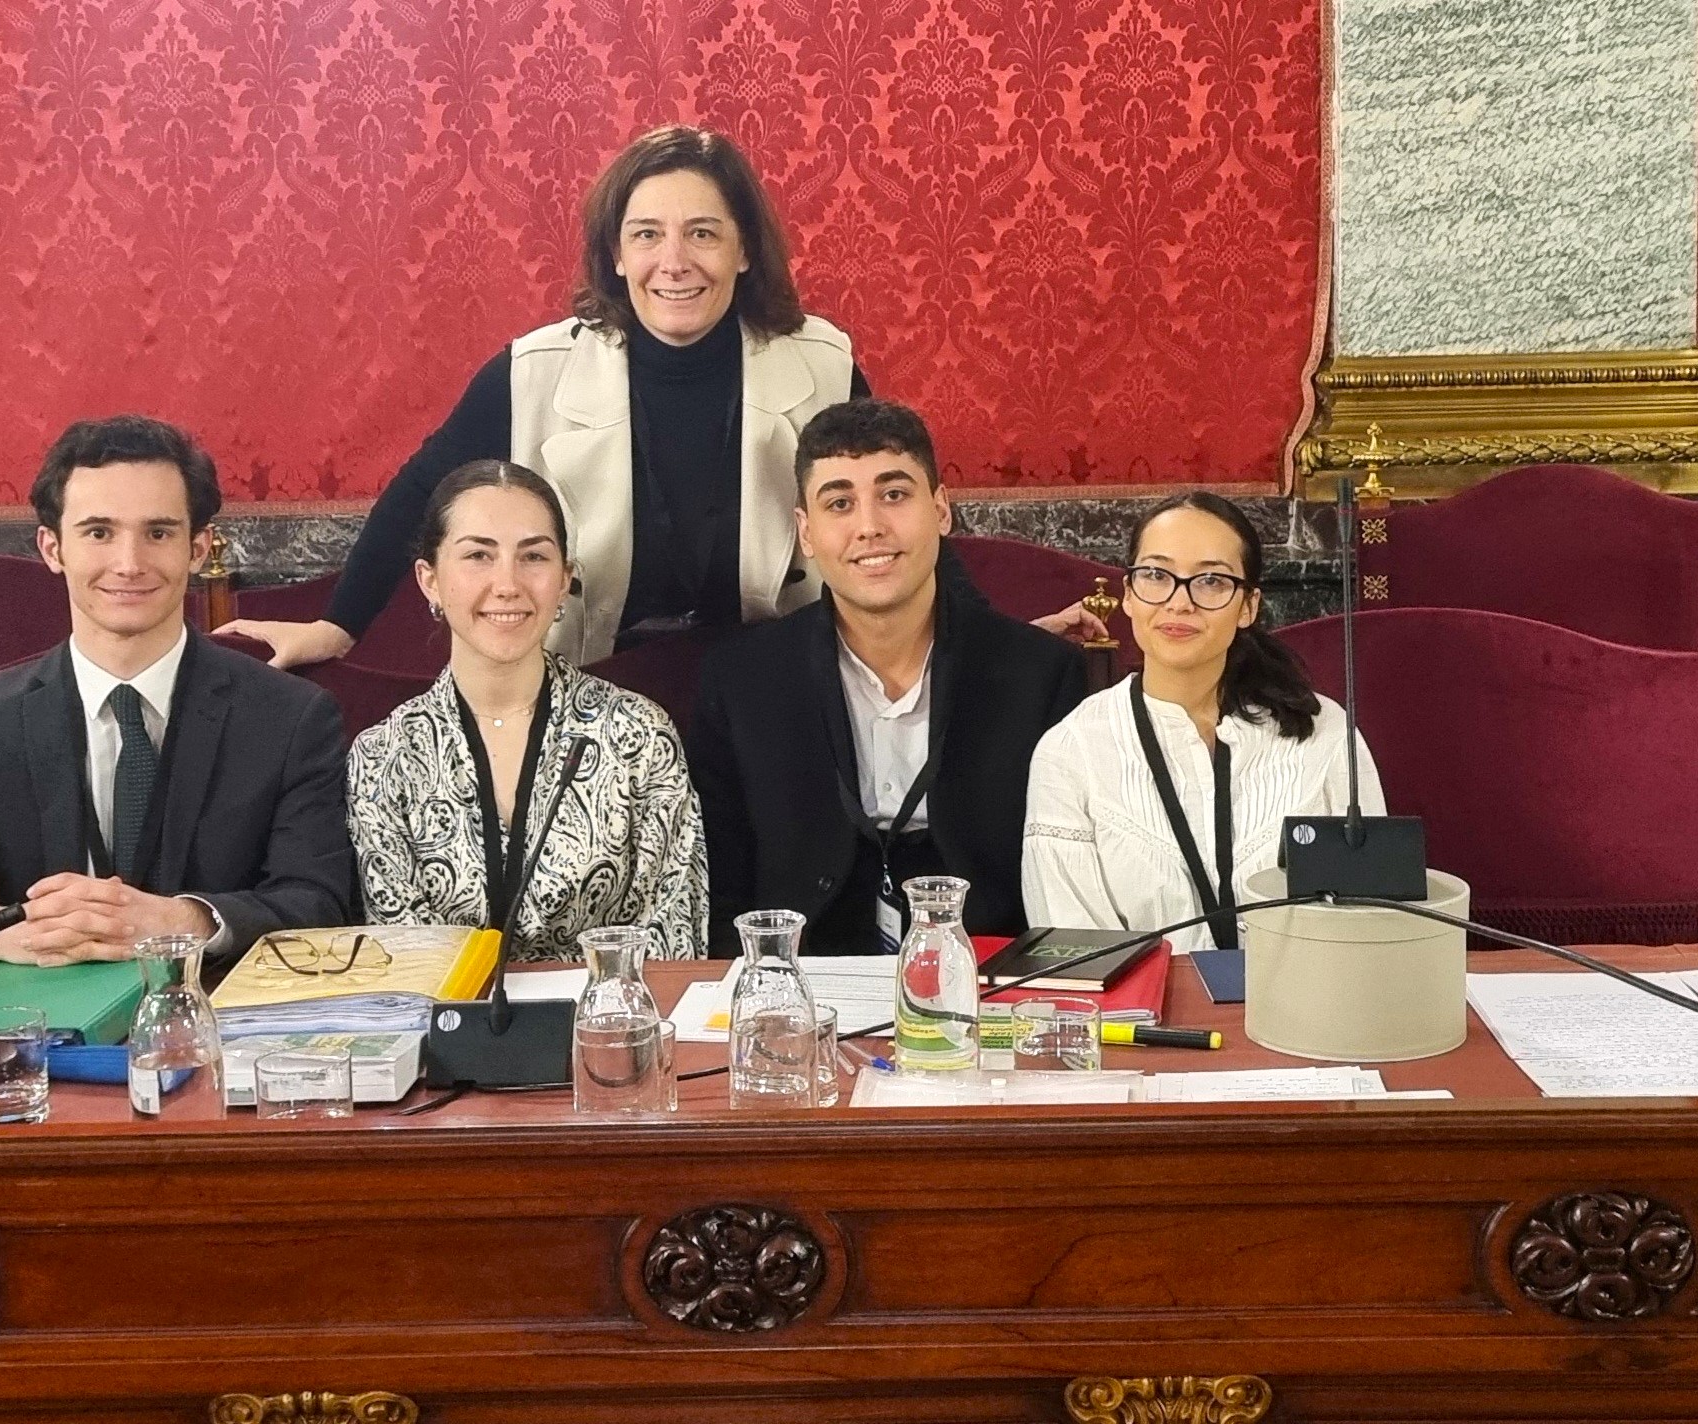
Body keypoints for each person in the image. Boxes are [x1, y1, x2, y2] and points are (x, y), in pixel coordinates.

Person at [217, 124, 1101, 669]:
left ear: (745, 250)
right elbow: (421, 496)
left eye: (703, 234)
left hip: (769, 675)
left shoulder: (818, 361)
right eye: (646, 235)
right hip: (590, 673)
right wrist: (334, 629)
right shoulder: (534, 370)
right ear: (615, 254)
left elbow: (881, 514)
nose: (673, 262)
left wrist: (993, 638)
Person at [0, 415, 353, 962]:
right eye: (99, 532)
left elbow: (322, 900)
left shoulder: (290, 716)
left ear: (198, 548)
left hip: (219, 1018)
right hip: (45, 1023)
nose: (129, 564)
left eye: (159, 533)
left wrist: (186, 921)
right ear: (52, 549)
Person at [688, 400, 1086, 955]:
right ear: (805, 531)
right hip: (802, 973)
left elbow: (1061, 884)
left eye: (894, 495)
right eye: (840, 503)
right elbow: (721, 884)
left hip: (987, 970)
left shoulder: (1041, 674)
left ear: (941, 509)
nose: (870, 527)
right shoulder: (742, 682)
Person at [346, 461, 707, 960]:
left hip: (612, 1027)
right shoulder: (383, 757)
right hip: (451, 1032)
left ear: (564, 579)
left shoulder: (640, 736)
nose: (508, 584)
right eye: (478, 555)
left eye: (533, 556)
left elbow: (673, 941)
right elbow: (407, 963)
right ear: (429, 580)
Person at [1021, 491, 1385, 951]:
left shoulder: (1323, 732)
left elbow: (1372, 920)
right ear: (1128, 595)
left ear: (1248, 607)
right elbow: (1075, 951)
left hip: (1306, 1009)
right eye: (1156, 575)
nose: (1180, 602)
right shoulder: (1071, 751)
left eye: (1211, 580)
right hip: (1142, 1019)